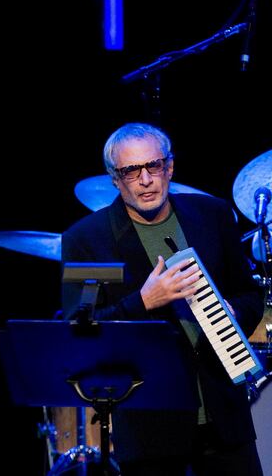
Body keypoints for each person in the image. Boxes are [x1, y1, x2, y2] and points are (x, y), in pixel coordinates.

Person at [61, 122, 264, 475]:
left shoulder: (213, 214)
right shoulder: (84, 239)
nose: (145, 180)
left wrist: (232, 311)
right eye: (130, 171)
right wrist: (143, 301)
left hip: (224, 417)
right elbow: (77, 329)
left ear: (169, 167)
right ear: (115, 178)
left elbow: (250, 294)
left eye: (153, 166)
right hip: (149, 428)